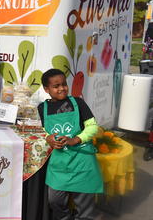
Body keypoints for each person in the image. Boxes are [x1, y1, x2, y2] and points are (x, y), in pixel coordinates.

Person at [37, 69, 103, 220]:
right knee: (55, 200)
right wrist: (48, 138)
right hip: (59, 165)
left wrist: (76, 139)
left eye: (64, 84)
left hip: (82, 162)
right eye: (56, 86)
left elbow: (93, 127)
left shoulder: (78, 103)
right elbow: (42, 130)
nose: (62, 88)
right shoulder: (42, 108)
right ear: (47, 89)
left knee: (84, 207)